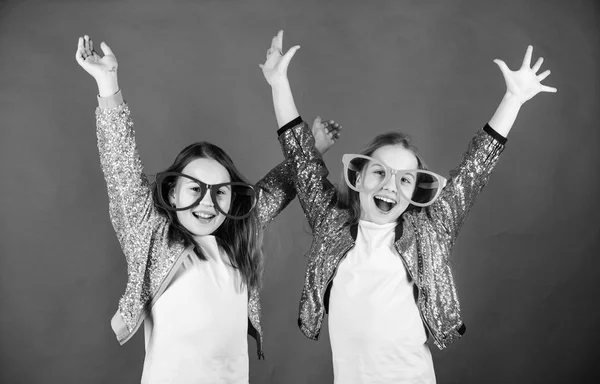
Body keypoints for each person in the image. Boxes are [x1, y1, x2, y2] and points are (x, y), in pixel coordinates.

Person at [260, 30, 556, 383]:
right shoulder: (331, 224)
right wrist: (278, 84)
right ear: (359, 175)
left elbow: (473, 170)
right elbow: (301, 160)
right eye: (380, 172)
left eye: (403, 179)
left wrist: (513, 99)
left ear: (416, 190)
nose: (389, 185)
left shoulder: (430, 230)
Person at [75, 34, 341, 383]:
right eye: (196, 189)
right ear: (171, 194)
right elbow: (120, 166)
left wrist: (314, 150)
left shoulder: (238, 234)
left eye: (220, 192)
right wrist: (108, 83)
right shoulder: (152, 236)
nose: (207, 202)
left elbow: (279, 187)